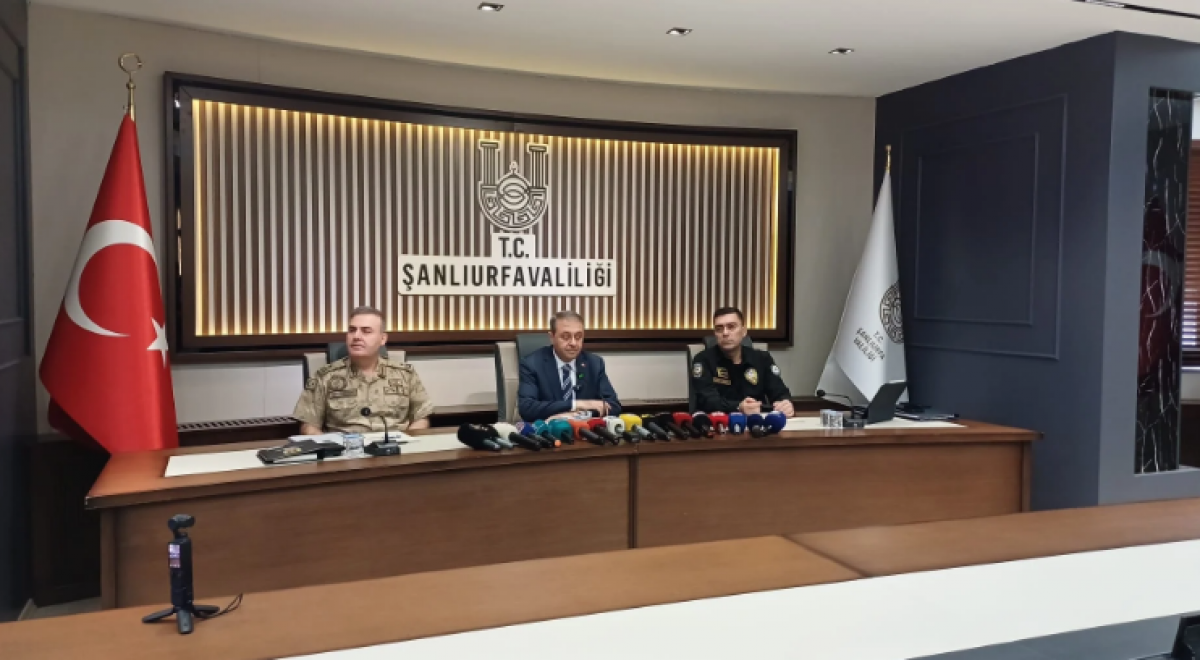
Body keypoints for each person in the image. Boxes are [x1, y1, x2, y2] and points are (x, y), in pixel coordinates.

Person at [294, 306, 433, 434]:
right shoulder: (325, 377)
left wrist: (407, 443)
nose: (356, 336)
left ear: (382, 339)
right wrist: (328, 447)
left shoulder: (406, 375)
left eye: (366, 331)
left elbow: (421, 417)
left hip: (395, 447)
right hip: (345, 450)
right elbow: (309, 425)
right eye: (352, 330)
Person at [518, 310, 622, 421]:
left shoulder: (594, 363)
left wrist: (581, 415)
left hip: (585, 429)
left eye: (578, 337)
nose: (573, 343)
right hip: (549, 430)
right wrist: (575, 404)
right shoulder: (532, 364)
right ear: (552, 337)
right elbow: (527, 408)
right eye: (566, 337)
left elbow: (614, 406)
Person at [691, 306, 795, 417]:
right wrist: (738, 407)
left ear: (743, 331)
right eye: (719, 329)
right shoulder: (703, 360)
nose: (725, 333)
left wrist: (785, 403)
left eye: (731, 327)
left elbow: (779, 392)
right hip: (720, 422)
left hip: (757, 420)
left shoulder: (762, 358)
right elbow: (707, 400)